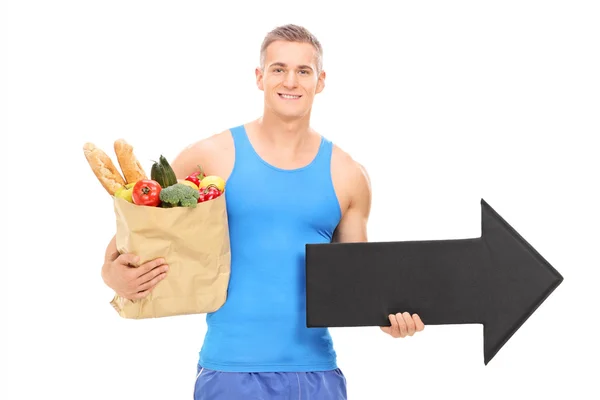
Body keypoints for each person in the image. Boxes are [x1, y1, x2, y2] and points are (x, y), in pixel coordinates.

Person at [101, 24, 425, 399]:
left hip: (316, 375)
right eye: (278, 69)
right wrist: (112, 275)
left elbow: (362, 287)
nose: (291, 81)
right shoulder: (211, 156)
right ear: (260, 77)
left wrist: (390, 320)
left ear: (320, 81)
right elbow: (134, 234)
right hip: (229, 373)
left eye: (304, 71)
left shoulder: (348, 175)